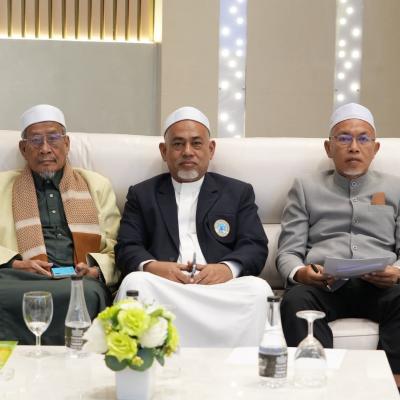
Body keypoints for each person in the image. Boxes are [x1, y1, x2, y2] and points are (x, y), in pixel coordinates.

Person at [115, 106, 272, 347]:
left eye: (196, 144)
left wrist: (226, 269)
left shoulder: (237, 192)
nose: (188, 152)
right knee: (135, 283)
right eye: (178, 144)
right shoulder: (142, 194)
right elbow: (127, 247)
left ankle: (242, 365)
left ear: (211, 149)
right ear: (164, 151)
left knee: (259, 289)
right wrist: (156, 267)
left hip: (221, 288)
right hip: (165, 286)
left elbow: (255, 246)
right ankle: (147, 363)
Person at [277, 102, 400, 387]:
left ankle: (392, 384)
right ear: (328, 147)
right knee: (295, 300)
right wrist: (301, 273)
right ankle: (318, 383)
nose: (353, 147)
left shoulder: (396, 188)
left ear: (376, 148)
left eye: (363, 139)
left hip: (381, 286)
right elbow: (288, 251)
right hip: (324, 286)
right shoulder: (305, 187)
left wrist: (396, 272)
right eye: (344, 138)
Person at [0, 104, 120, 345]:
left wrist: (95, 269)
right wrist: (17, 264)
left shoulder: (96, 185)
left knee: (85, 294)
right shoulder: (2, 185)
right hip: (18, 278)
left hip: (77, 279)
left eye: (53, 138)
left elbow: (117, 245)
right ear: (23, 149)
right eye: (35, 140)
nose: (45, 149)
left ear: (66, 143)